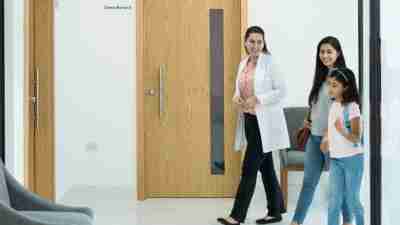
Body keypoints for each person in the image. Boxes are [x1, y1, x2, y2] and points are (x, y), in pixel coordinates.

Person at [217, 26, 289, 225]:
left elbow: (281, 91)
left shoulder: (270, 63)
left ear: (264, 43)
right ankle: (275, 210)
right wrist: (237, 99)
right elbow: (238, 89)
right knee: (266, 168)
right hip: (249, 121)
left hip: (264, 123)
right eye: (252, 41)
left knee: (248, 169)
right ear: (245, 42)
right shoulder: (243, 63)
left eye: (259, 41)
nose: (256, 45)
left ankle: (237, 216)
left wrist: (258, 99)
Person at [290, 36, 352, 225]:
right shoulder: (322, 76)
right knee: (308, 183)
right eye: (322, 52)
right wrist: (308, 120)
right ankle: (296, 222)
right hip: (314, 139)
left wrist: (328, 135)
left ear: (338, 53)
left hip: (332, 141)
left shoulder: (342, 77)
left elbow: (342, 110)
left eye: (329, 51)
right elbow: (318, 105)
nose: (324, 55)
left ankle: (348, 221)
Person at [322, 67, 364, 225]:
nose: (330, 88)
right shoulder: (334, 106)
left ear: (345, 87)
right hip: (336, 159)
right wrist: (325, 140)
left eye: (334, 85)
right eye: (329, 84)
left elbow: (356, 138)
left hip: (353, 159)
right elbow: (330, 129)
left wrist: (342, 130)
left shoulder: (352, 107)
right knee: (334, 201)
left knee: (352, 199)